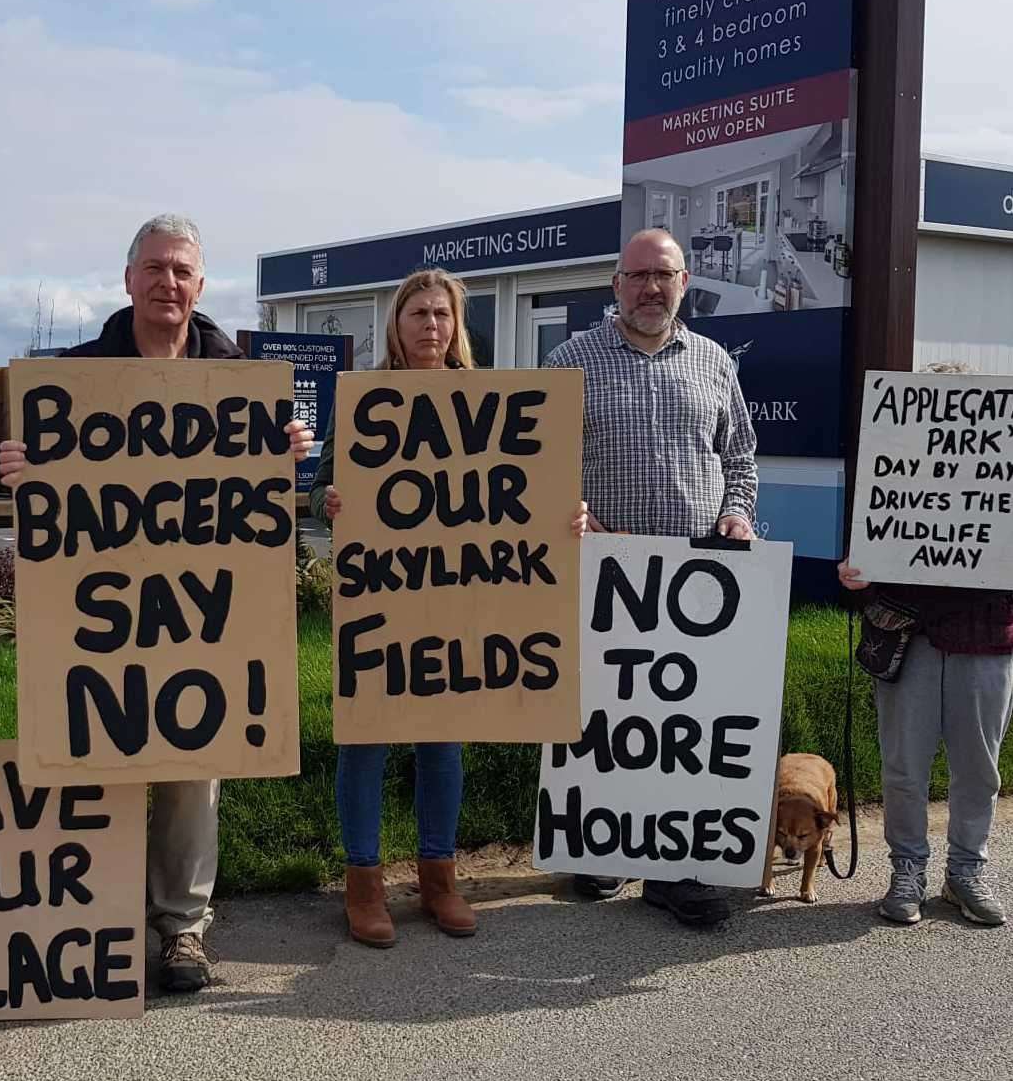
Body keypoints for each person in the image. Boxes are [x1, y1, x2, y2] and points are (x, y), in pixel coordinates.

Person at [0, 213, 314, 992]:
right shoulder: (74, 376)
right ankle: (101, 917)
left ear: (199, 286)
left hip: (201, 612)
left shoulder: (237, 380)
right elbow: (46, 483)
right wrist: (18, 468)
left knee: (191, 769)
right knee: (98, 756)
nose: (167, 283)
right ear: (128, 278)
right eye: (154, 269)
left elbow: (256, 496)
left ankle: (182, 928)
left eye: (181, 271)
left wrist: (287, 458)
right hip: (100, 610)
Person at [312, 268, 589, 948]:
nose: (429, 326)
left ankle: (439, 878)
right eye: (417, 314)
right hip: (382, 596)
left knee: (443, 739)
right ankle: (364, 884)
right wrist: (330, 501)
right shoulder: (364, 400)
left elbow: (531, 487)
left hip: (460, 600)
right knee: (365, 741)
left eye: (440, 314)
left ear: (455, 325)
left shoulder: (488, 400)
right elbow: (323, 482)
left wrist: (565, 514)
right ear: (395, 325)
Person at [541, 227, 759, 929]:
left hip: (696, 580)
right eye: (636, 275)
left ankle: (676, 865)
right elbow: (542, 466)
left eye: (662, 275)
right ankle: (601, 843)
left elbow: (742, 461)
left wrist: (735, 516)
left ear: (684, 282)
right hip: (603, 576)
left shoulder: (714, 362)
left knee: (683, 723)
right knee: (606, 714)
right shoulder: (569, 360)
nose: (649, 289)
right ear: (614, 285)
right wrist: (572, 511)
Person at [839, 362, 1013, 927]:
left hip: (986, 635)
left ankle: (966, 872)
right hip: (909, 635)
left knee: (978, 768)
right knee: (903, 766)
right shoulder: (892, 470)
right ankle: (908, 871)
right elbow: (872, 554)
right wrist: (857, 575)